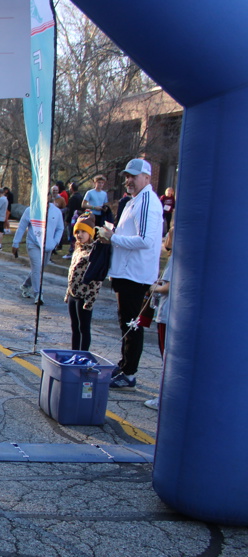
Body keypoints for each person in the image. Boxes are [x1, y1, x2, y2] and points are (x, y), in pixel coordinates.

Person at [98, 158, 164, 390]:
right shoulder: (135, 200)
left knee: (131, 324)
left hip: (135, 274)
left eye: (133, 176)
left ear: (146, 177)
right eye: (127, 176)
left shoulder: (147, 202)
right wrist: (112, 233)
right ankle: (125, 364)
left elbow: (145, 240)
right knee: (126, 321)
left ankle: (129, 373)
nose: (129, 180)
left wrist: (113, 237)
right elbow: (130, 233)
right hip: (126, 273)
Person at [11, 193, 64, 305]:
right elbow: (21, 227)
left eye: (47, 194)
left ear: (50, 197)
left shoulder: (56, 212)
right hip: (33, 244)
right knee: (36, 267)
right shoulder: (30, 210)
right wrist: (16, 243)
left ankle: (26, 285)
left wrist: (55, 242)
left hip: (48, 246)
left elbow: (60, 228)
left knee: (39, 269)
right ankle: (38, 294)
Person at [63, 214, 104, 350]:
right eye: (77, 232)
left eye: (83, 232)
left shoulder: (94, 252)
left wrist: (90, 301)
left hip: (84, 297)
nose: (79, 235)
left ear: (90, 233)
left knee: (83, 328)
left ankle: (83, 354)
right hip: (73, 294)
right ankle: (74, 353)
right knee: (74, 327)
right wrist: (68, 292)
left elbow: (96, 281)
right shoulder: (78, 249)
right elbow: (72, 273)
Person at [145, 227, 173, 410]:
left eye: (168, 235)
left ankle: (163, 398)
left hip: (167, 315)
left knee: (167, 359)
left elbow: (169, 287)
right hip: (171, 315)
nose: (165, 239)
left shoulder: (175, 258)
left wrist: (155, 288)